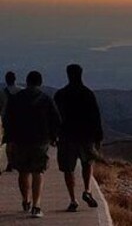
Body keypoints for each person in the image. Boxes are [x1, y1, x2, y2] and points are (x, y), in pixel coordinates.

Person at [2, 71, 61, 218]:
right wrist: (54, 137)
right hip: (40, 140)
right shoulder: (45, 99)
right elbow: (56, 119)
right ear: (40, 83)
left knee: (23, 171)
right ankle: (36, 205)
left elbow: (8, 120)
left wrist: (9, 139)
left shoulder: (16, 99)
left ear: (27, 82)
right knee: (38, 172)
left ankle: (25, 200)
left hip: (20, 140)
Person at [54, 64, 104, 212]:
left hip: (66, 137)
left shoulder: (60, 94)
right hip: (86, 136)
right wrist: (98, 136)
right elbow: (96, 116)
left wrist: (53, 135)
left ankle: (72, 199)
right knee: (87, 163)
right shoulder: (88, 93)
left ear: (67, 74)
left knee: (68, 169)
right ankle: (87, 190)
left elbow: (54, 117)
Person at [0, 71, 21, 172]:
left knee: (8, 143)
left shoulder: (3, 92)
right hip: (19, 120)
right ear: (15, 79)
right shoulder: (20, 91)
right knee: (18, 143)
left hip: (7, 120)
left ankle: (10, 162)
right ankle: (17, 162)